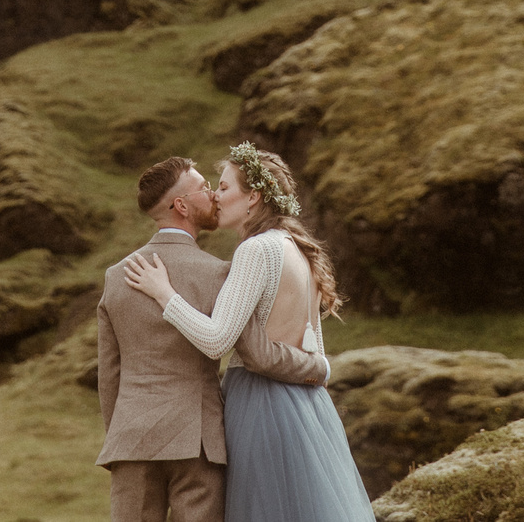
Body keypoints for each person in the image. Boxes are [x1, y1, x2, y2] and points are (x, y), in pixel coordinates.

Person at [120, 143, 372, 522]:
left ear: (253, 197)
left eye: (223, 187)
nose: (216, 198)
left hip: (260, 405)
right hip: (306, 408)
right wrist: (320, 370)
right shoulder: (296, 248)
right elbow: (314, 349)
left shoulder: (256, 250)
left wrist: (164, 294)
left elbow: (216, 340)